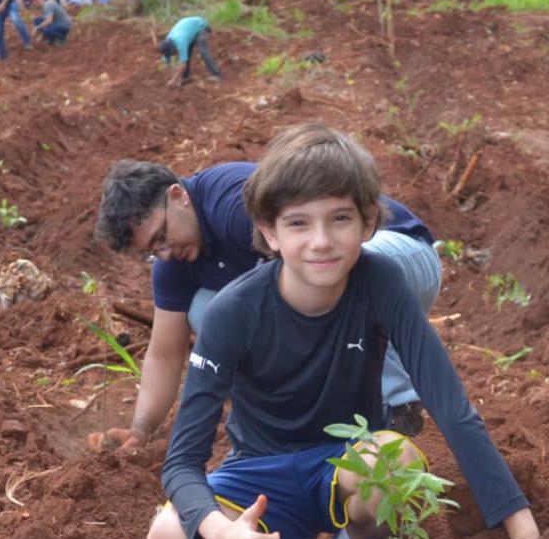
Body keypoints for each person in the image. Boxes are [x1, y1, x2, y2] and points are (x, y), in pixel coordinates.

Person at [129, 124, 538, 539]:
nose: (321, 241)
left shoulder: (380, 282)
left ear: (368, 223)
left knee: (395, 460)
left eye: (339, 219)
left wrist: (522, 533)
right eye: (299, 223)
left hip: (346, 459)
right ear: (269, 232)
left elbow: (451, 408)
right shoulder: (231, 312)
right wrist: (221, 533)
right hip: (259, 471)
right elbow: (182, 461)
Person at [93, 149, 443, 458]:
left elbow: (313, 263)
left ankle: (399, 405)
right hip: (334, 288)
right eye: (153, 251)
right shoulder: (175, 264)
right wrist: (140, 430)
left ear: (177, 195)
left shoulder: (233, 203)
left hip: (396, 253)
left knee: (321, 272)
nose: (165, 253)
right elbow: (164, 353)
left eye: (162, 237)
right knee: (207, 309)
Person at [158, 16, 222, 85]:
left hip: (200, 26)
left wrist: (173, 80)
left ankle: (217, 75)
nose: (174, 54)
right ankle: (186, 76)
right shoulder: (167, 43)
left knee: (203, 51)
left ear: (173, 49)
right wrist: (171, 76)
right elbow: (166, 64)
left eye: (173, 53)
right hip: (188, 29)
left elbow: (183, 65)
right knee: (186, 53)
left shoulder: (180, 42)